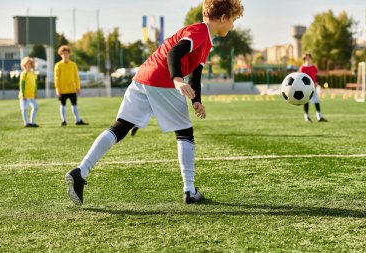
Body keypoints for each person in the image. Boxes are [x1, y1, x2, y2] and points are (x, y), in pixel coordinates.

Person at [65, 0, 244, 206]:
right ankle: (189, 190)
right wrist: (176, 78)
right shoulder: (200, 32)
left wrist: (196, 101)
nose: (232, 26)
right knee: (185, 133)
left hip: (143, 76)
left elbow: (196, 73)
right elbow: (174, 53)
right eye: (233, 20)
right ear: (223, 18)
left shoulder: (204, 38)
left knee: (120, 127)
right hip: (162, 79)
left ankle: (81, 171)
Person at [54, 45, 88, 126]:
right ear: (60, 54)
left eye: (67, 53)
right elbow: (56, 78)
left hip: (72, 89)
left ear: (69, 54)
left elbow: (76, 77)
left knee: (74, 104)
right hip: (62, 90)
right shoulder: (58, 65)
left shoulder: (73, 65)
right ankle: (64, 121)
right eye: (63, 53)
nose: (65, 55)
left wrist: (78, 87)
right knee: (63, 105)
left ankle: (78, 120)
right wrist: (57, 89)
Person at [299, 53, 328, 123]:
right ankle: (307, 117)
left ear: (311, 58)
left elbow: (316, 76)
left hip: (313, 87)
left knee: (317, 101)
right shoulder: (302, 68)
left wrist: (317, 82)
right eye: (306, 58)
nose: (308, 59)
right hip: (305, 88)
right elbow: (299, 78)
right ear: (304, 59)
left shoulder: (313, 67)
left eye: (309, 57)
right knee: (306, 101)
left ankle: (319, 117)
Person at [18, 57, 39, 127]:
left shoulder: (33, 74)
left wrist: (35, 93)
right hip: (25, 95)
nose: (29, 65)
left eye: (30, 64)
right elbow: (22, 84)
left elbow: (35, 84)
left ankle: (32, 122)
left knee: (35, 107)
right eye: (27, 64)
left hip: (32, 95)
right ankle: (26, 123)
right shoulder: (24, 74)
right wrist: (23, 94)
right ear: (24, 65)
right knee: (24, 109)